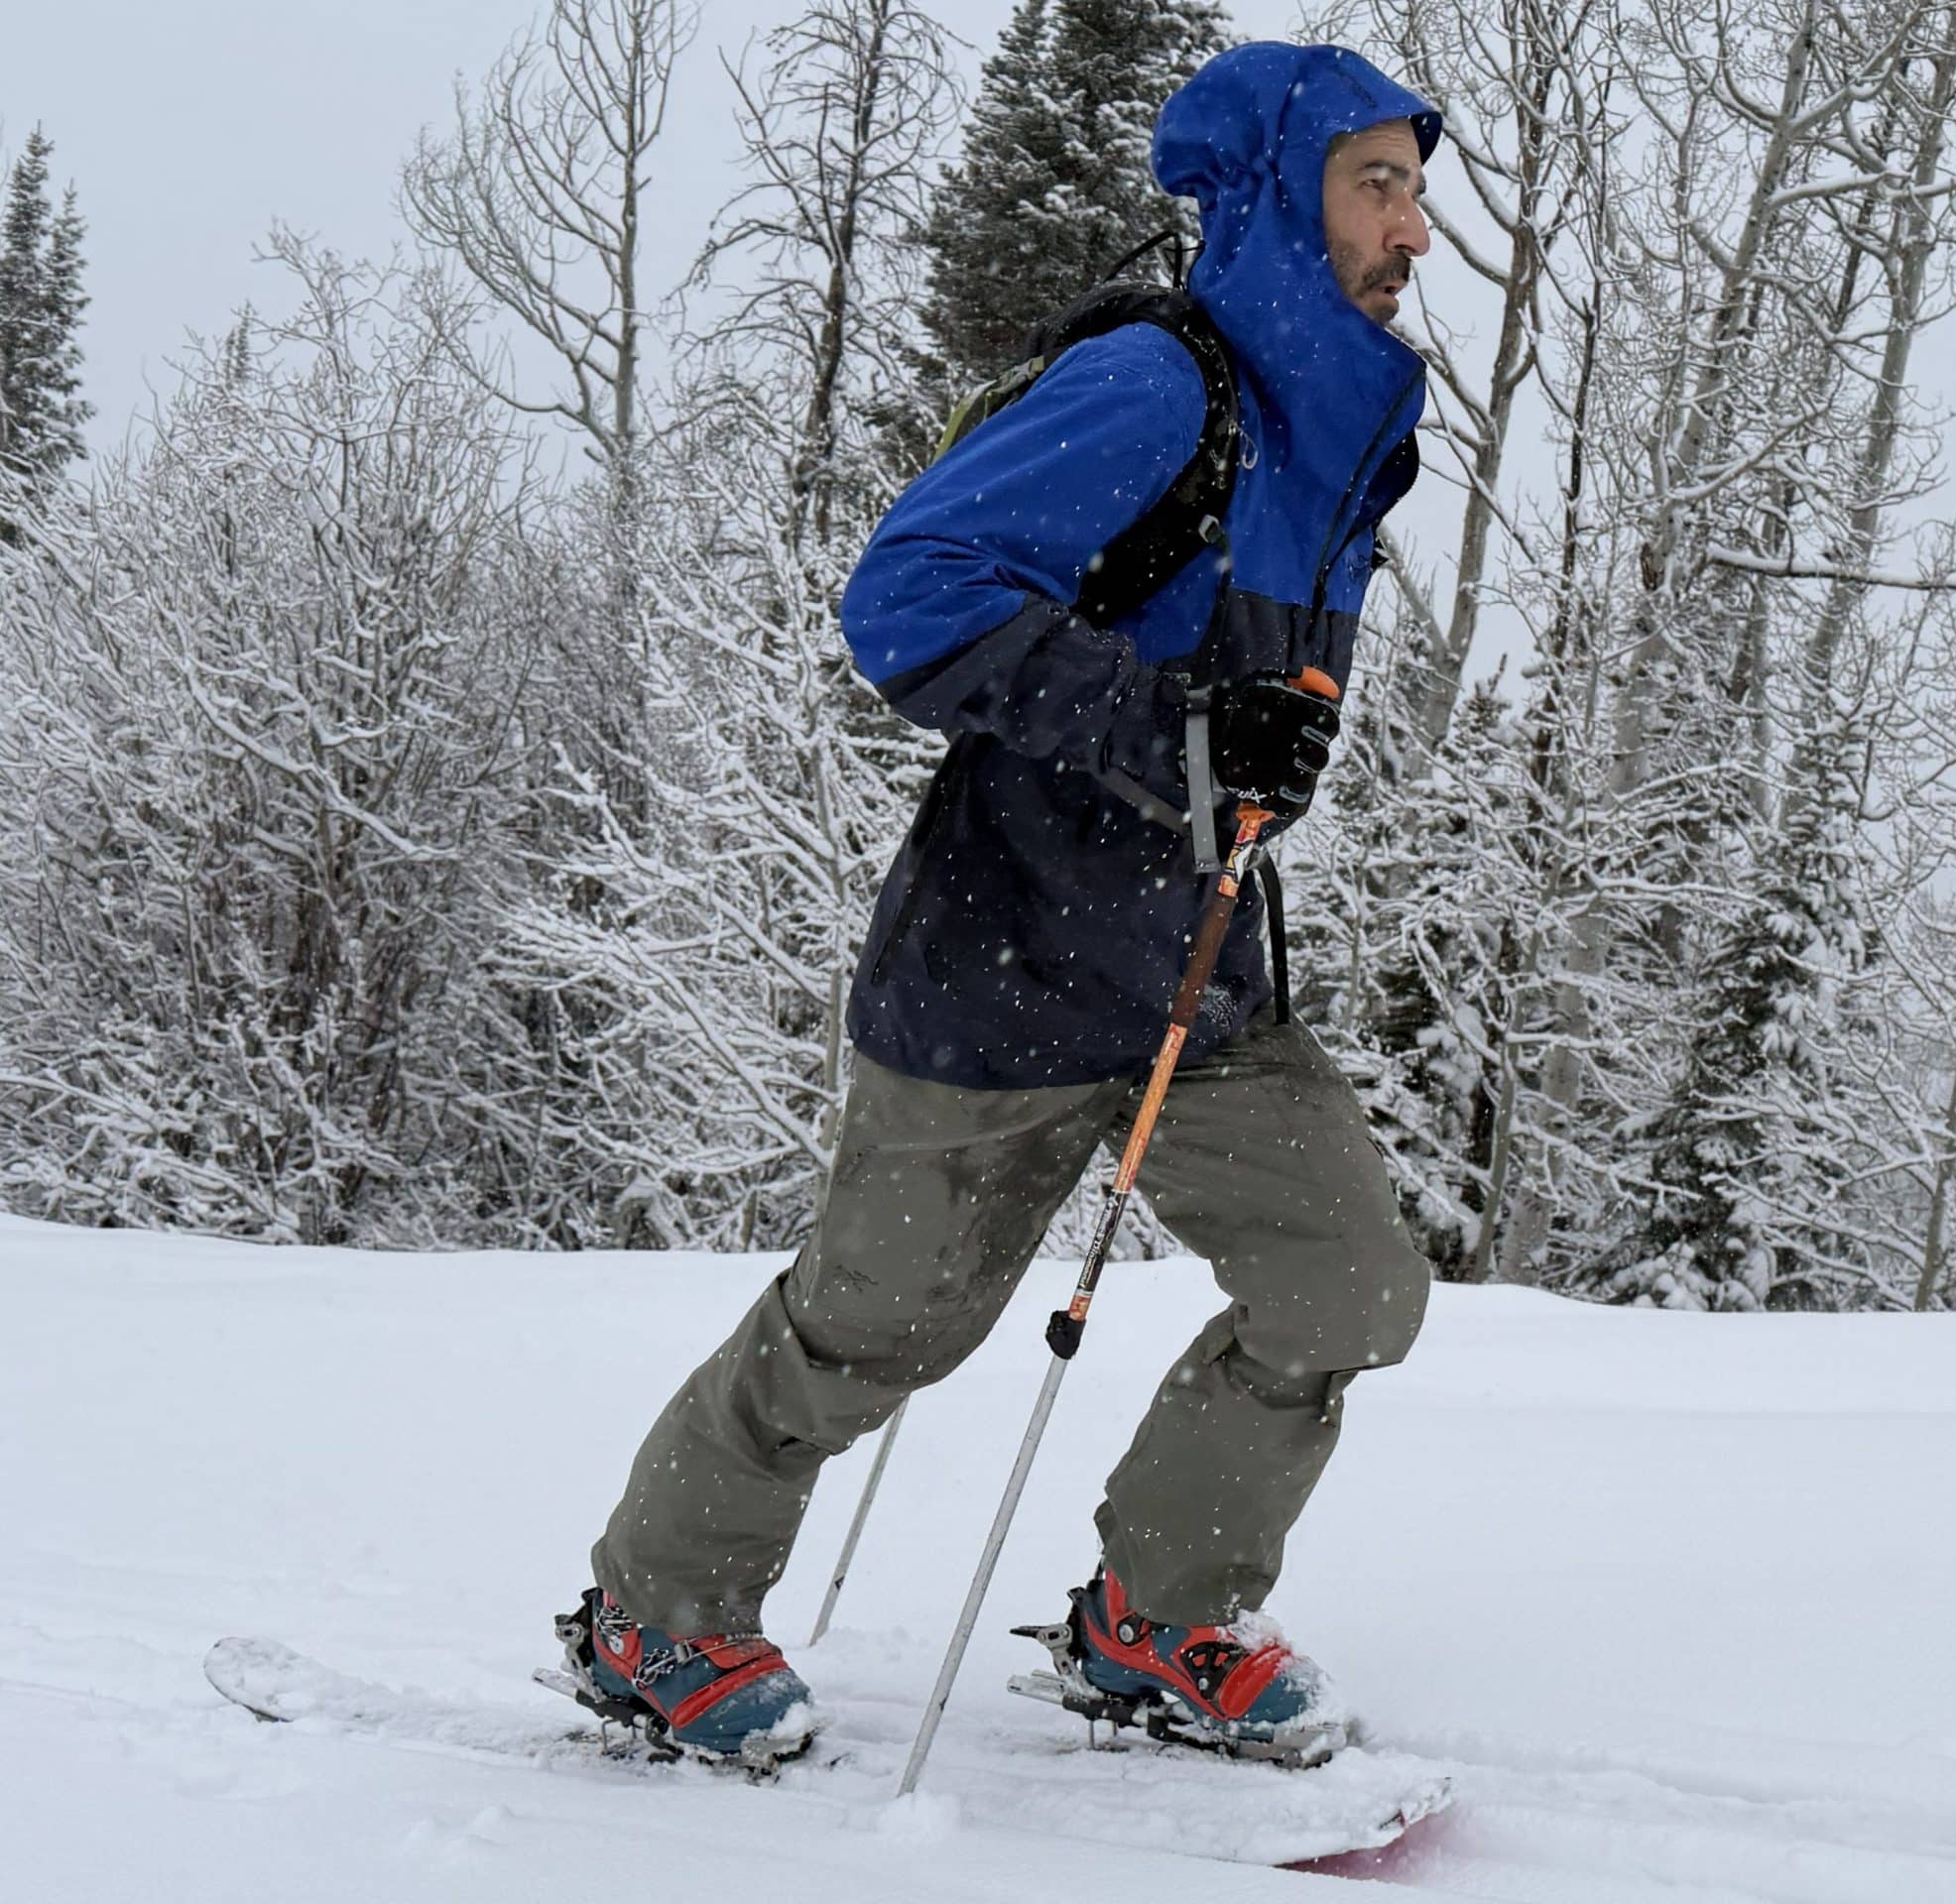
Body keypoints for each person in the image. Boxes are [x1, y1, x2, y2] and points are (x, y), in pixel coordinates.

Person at [554, 41, 1441, 1764]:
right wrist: (1176, 728)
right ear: (1276, 195)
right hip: (1006, 966)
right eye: (1376, 182)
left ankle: (1156, 1621)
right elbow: (909, 593)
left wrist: (1241, 753)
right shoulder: (1159, 387)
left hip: (1198, 981)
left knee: (1349, 1283)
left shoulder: (1324, 431)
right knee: (871, 1334)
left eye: (1417, 186)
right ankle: (655, 1622)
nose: (1412, 229)